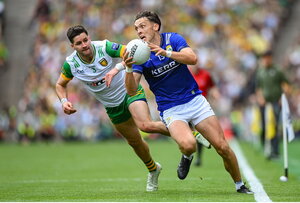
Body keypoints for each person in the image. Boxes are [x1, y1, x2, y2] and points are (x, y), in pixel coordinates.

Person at [123, 10, 253, 194]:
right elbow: (131, 90)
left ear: (155, 26)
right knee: (189, 144)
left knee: (222, 146)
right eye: (136, 28)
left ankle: (240, 185)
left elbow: (193, 58)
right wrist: (128, 68)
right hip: (171, 108)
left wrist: (166, 53)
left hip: (195, 100)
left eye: (142, 26)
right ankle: (187, 155)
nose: (139, 31)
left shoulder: (173, 39)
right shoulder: (140, 55)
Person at [55, 25, 169, 192]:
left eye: (86, 40)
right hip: (112, 106)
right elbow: (60, 84)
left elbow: (129, 52)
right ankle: (153, 169)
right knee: (134, 142)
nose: (85, 45)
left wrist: (118, 68)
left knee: (146, 125)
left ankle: (191, 132)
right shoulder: (71, 64)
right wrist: (64, 101)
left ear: (89, 37)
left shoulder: (104, 47)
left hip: (129, 90)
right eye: (79, 43)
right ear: (73, 46)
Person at [255, 50, 289, 160]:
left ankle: (275, 151)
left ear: (270, 58)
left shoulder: (277, 70)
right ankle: (265, 147)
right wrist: (260, 98)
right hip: (264, 103)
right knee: (264, 126)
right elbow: (258, 87)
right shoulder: (260, 72)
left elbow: (285, 84)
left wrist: (282, 97)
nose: (265, 60)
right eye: (264, 58)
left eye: (267, 57)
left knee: (274, 126)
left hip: (275, 102)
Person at [189, 65, 221, 166]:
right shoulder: (186, 74)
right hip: (187, 107)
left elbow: (212, 87)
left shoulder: (206, 75)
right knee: (187, 131)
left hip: (201, 109)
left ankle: (198, 158)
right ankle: (187, 154)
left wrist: (215, 94)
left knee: (200, 133)